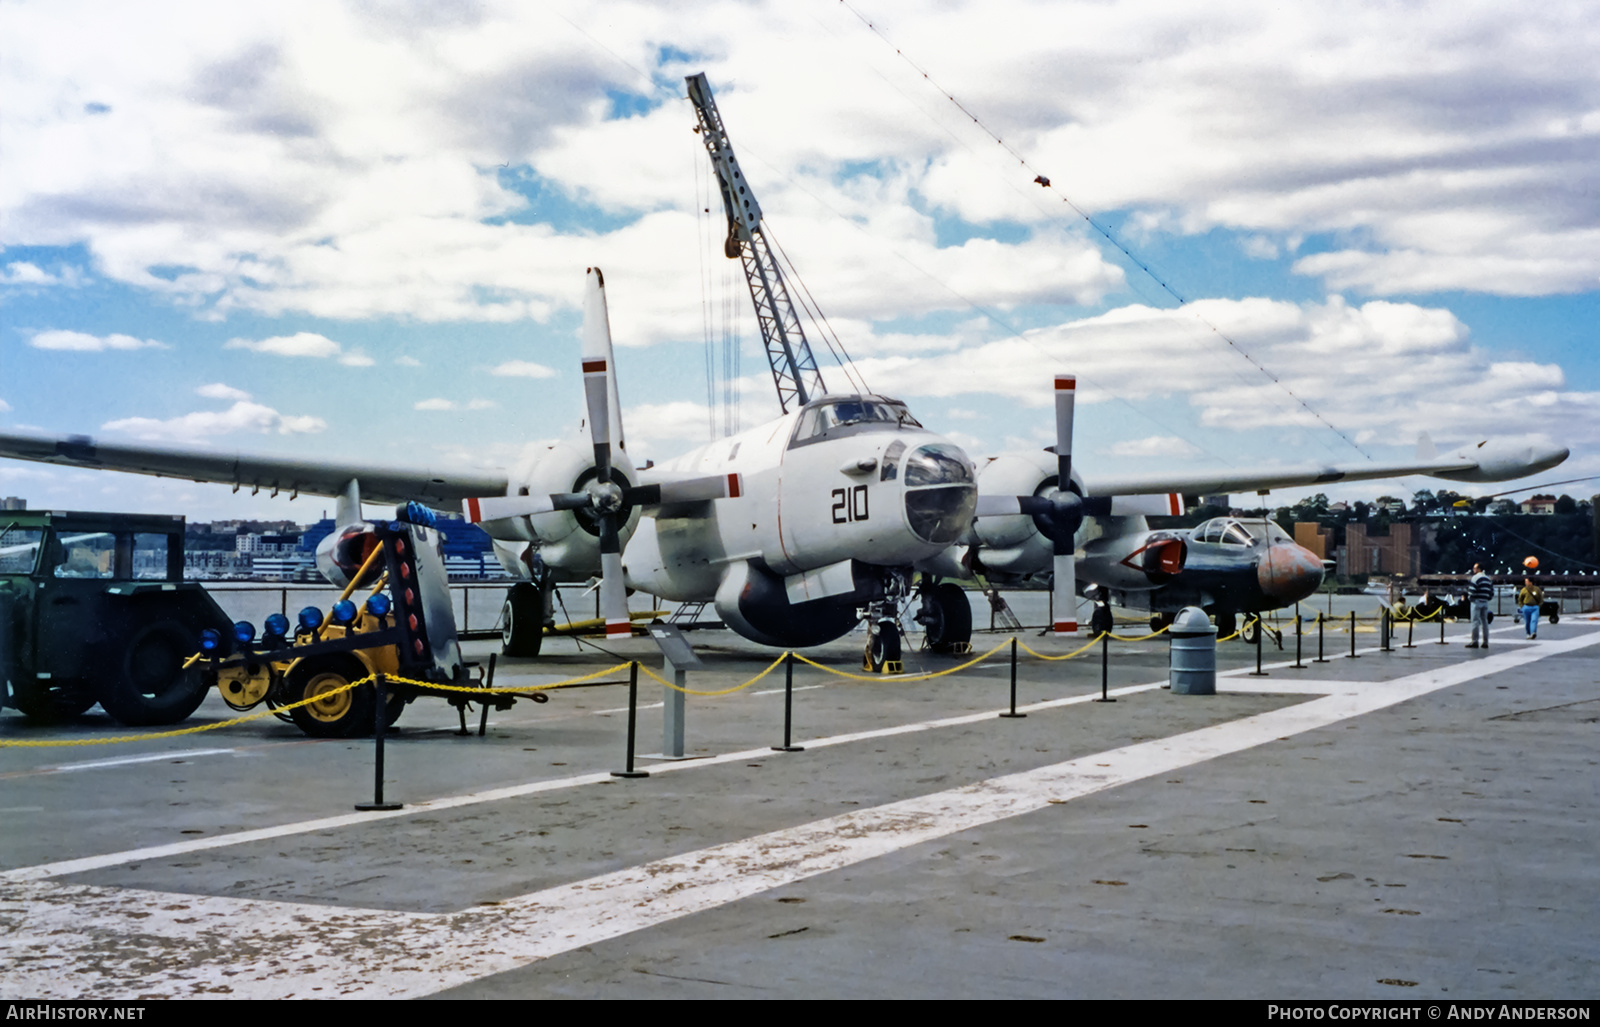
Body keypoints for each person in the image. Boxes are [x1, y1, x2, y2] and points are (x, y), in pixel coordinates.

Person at [1466, 563, 1494, 649]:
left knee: (1475, 621)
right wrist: (1486, 598)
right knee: (1485, 622)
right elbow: (1491, 592)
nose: (1473, 570)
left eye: (1474, 568)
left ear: (1479, 569)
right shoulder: (1487, 578)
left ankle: (1475, 641)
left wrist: (1471, 598)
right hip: (1485, 602)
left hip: (1476, 601)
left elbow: (1472, 591)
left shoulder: (1475, 578)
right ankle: (1485, 641)